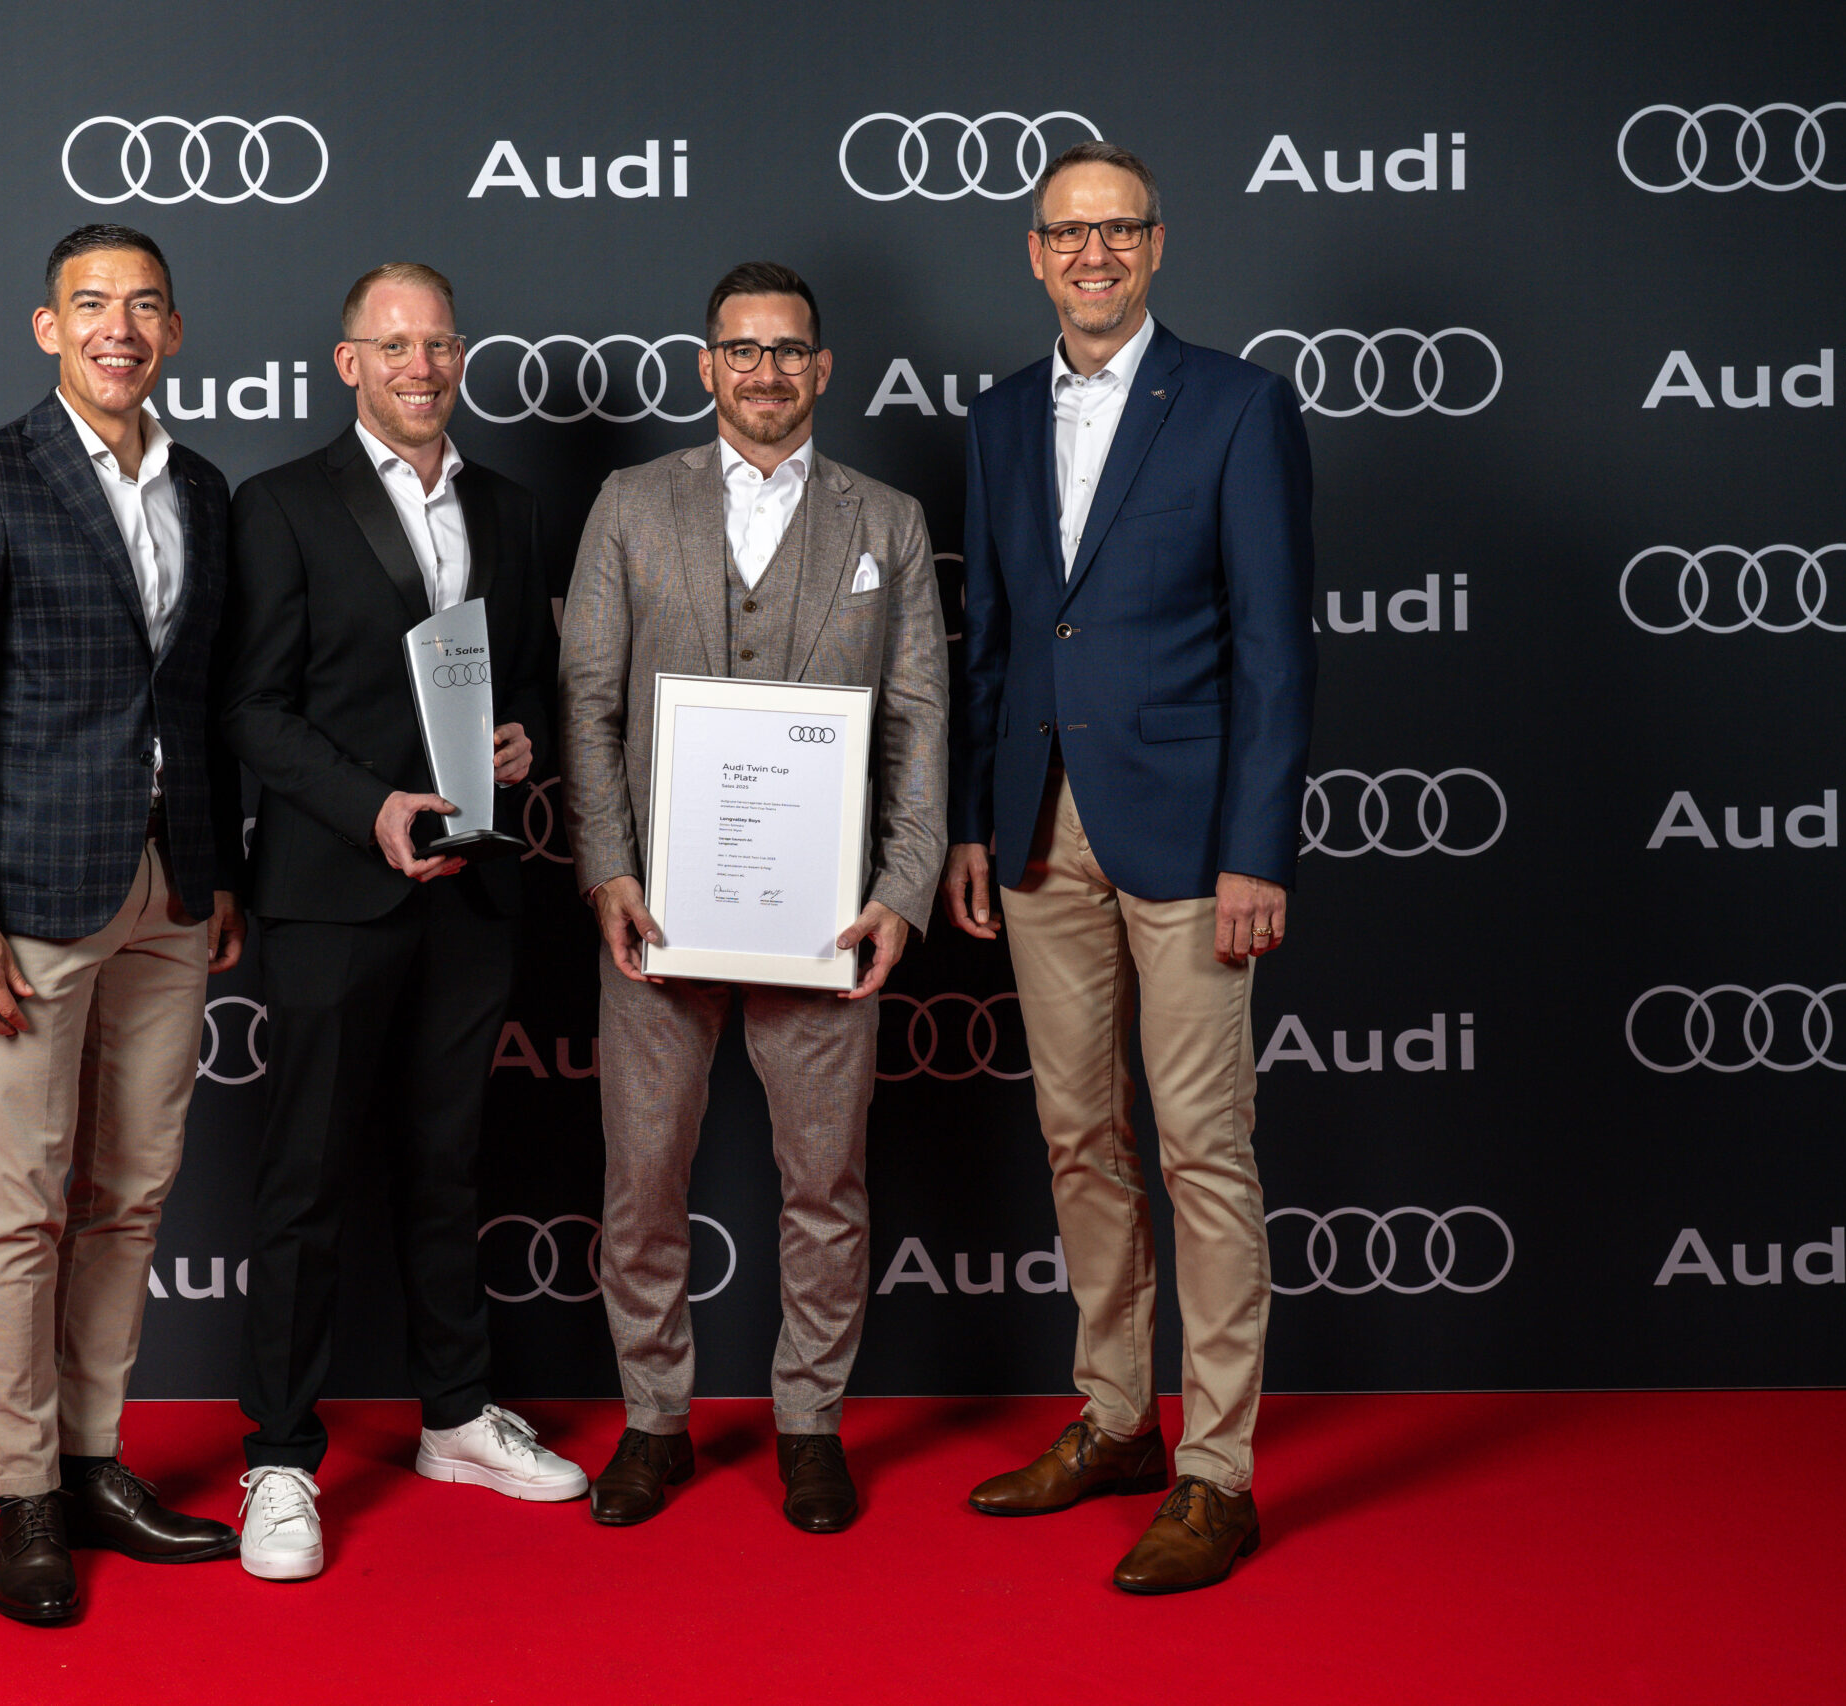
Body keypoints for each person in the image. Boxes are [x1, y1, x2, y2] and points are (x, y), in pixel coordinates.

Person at [942, 141, 1316, 1593]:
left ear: (1157, 245)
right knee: (1078, 1136)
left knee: (1203, 1146)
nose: (1091, 254)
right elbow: (992, 641)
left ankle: (1218, 1470)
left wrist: (1257, 848)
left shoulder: (1236, 404)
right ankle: (1114, 1418)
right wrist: (977, 822)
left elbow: (1274, 646)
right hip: (1040, 826)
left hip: (1190, 833)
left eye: (1118, 230)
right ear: (1034, 254)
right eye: (1066, 233)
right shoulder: (995, 417)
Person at [0, 224, 248, 1624]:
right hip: (28, 900)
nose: (119, 328)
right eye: (91, 304)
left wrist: (215, 871)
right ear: (48, 328)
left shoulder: (201, 487)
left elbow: (199, 701)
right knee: (18, 1203)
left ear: (175, 330)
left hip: (168, 890)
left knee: (132, 1192)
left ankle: (95, 1462)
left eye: (144, 306)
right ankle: (25, 1492)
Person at [557, 262, 949, 1533]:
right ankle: (654, 1417)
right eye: (742, 349)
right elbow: (587, 703)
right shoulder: (630, 503)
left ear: (821, 368)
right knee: (641, 1179)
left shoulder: (887, 520)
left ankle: (810, 1422)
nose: (765, 371)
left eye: (788, 350)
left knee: (826, 1182)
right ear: (707, 365)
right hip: (658, 915)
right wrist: (609, 869)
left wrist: (901, 887)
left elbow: (919, 719)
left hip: (824, 920)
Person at [217, 262, 584, 1582]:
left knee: (447, 1168)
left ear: (459, 357)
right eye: (393, 345)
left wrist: (524, 738)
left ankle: (454, 1416)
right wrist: (368, 806)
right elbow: (250, 707)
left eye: (438, 343)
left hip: (470, 893)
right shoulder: (279, 504)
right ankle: (278, 1456)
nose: (419, 365)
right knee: (304, 1182)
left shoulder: (512, 507)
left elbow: (528, 680)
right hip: (333, 891)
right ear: (348, 363)